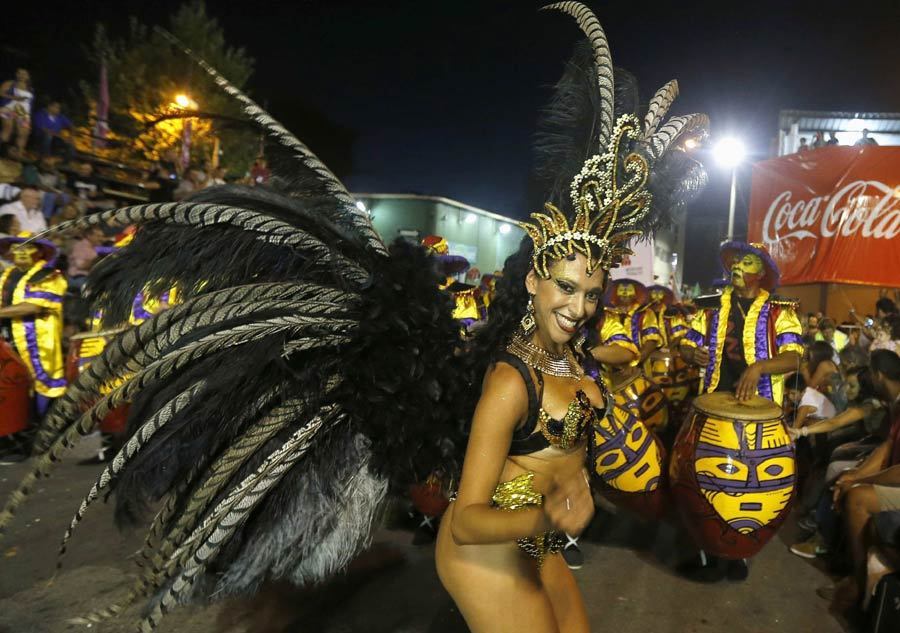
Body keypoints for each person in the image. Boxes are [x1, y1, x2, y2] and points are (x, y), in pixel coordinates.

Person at [0, 6, 708, 629]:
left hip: (535, 535)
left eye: (591, 291)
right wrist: (547, 512)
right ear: (534, 283)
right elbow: (466, 514)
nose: (579, 307)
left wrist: (599, 404)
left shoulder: (572, 359)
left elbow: (551, 439)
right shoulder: (508, 380)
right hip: (487, 541)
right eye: (565, 289)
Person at [679, 241, 803, 581]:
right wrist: (692, 355)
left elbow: (794, 357)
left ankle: (739, 553)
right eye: (734, 261)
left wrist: (759, 367)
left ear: (760, 273)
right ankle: (706, 553)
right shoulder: (708, 307)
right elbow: (686, 344)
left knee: (751, 484)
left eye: (745, 261)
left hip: (758, 412)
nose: (736, 266)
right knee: (703, 478)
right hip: (712, 406)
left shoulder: (781, 310)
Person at [830, 350, 900, 614]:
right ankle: (851, 569)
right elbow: (888, 444)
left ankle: (860, 583)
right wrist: (855, 475)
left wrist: (862, 481)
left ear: (878, 375)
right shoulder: (896, 403)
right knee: (847, 479)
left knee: (857, 497)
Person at [0, 232, 67, 418]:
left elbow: (33, 306)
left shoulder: (49, 276)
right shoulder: (7, 274)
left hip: (37, 341)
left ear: (39, 252)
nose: (20, 252)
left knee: (39, 380)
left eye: (27, 247)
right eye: (17, 247)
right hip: (7, 336)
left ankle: (40, 423)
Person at [0, 69, 34, 156]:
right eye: (20, 73)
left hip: (22, 111)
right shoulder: (10, 83)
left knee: (23, 133)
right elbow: (1, 93)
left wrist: (28, 115)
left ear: (28, 76)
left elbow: (29, 103)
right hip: (9, 107)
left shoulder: (30, 88)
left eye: (24, 74)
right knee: (8, 129)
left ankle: (18, 153)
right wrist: (14, 97)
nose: (22, 75)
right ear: (16, 75)